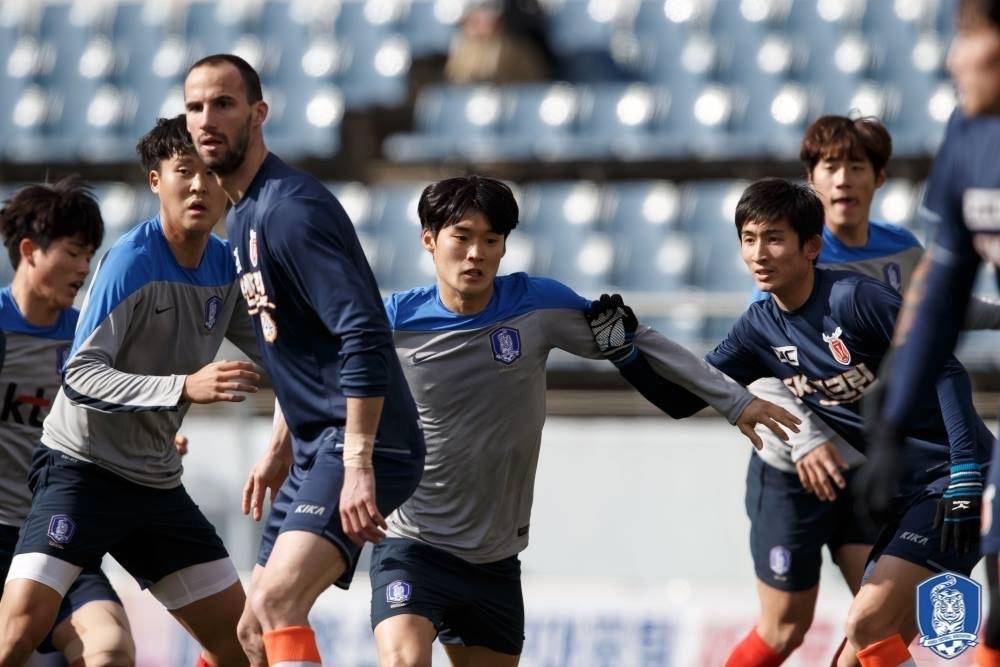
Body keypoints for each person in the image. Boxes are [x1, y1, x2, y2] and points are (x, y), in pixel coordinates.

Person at [321, 175, 799, 667]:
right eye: (461, 237)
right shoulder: (393, 321)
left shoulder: (538, 305)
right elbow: (316, 379)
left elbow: (638, 340)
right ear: (429, 240)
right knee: (403, 661)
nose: (476, 254)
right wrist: (300, 456)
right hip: (412, 543)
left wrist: (735, 401)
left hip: (494, 559)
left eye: (491, 240)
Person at [596, 178, 992, 667]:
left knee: (865, 624)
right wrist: (625, 353)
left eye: (774, 238)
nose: (759, 253)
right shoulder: (757, 328)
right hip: (909, 493)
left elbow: (945, 367)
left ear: (811, 247)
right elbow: (683, 401)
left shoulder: (856, 300)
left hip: (958, 481)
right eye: (748, 238)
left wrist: (965, 470)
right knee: (860, 653)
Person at [727, 114, 1000, 666]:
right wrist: (803, 440)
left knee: (879, 625)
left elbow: (935, 316)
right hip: (799, 468)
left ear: (880, 178)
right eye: (831, 166)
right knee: (787, 626)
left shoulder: (899, 249)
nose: (844, 179)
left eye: (858, 166)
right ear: (811, 177)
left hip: (875, 464)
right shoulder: (788, 251)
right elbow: (759, 359)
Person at [183, 54, 426, 667]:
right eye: (195, 107)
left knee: (278, 604)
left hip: (366, 442)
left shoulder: (290, 211)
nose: (207, 119)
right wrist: (278, 443)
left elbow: (364, 333)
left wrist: (359, 461)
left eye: (224, 104)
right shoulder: (244, 216)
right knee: (248, 631)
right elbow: (301, 345)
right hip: (316, 445)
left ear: (258, 113)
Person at [0, 115, 265, 666]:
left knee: (246, 644)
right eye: (183, 172)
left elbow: (279, 351)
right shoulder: (131, 263)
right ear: (155, 181)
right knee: (15, 636)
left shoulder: (225, 268)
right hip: (80, 472)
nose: (199, 186)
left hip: (154, 486)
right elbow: (82, 374)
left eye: (209, 174)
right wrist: (183, 386)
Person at [866, 1, 1000, 665]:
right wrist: (894, 411)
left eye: (970, 37)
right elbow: (945, 285)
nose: (952, 57)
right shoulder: (970, 134)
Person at [0, 180, 134, 665]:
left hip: (53, 535)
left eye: (90, 255)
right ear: (30, 251)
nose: (84, 268)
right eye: (74, 253)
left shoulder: (87, 339)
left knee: (111, 648)